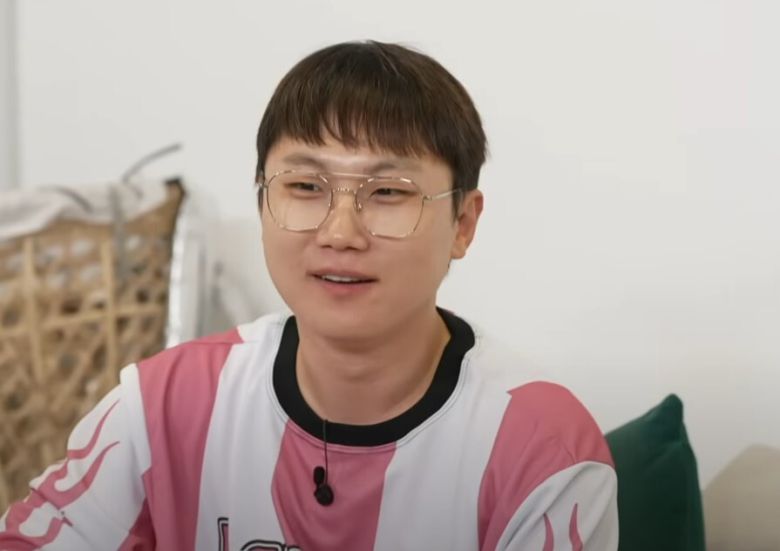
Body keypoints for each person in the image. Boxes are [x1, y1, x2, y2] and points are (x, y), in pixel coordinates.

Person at [0, 41, 618, 550]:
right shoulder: (163, 406)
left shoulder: (542, 450)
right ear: (262, 200)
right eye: (304, 186)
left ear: (463, 223)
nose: (340, 232)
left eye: (388, 192)